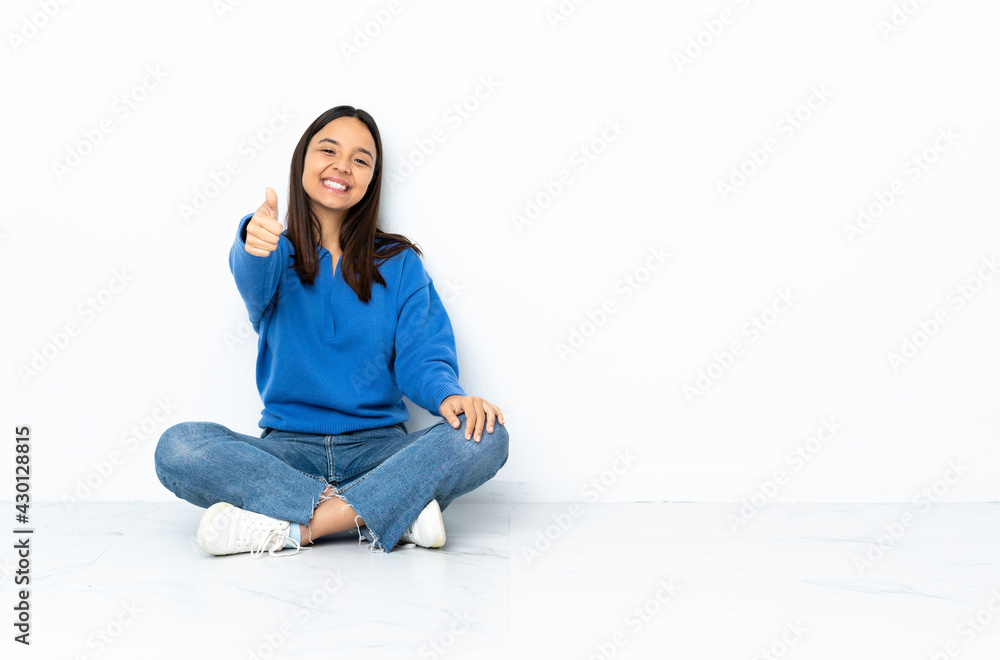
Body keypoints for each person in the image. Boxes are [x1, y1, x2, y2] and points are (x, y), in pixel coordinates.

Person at [154, 105, 509, 558]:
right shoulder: (274, 255)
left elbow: (423, 355)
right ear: (303, 159)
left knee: (487, 435)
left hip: (380, 452)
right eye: (328, 150)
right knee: (180, 447)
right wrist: (252, 238)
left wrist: (447, 396)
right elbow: (250, 270)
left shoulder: (399, 264)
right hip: (287, 455)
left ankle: (294, 529)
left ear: (371, 180)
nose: (343, 165)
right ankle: (391, 512)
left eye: (361, 160)